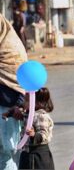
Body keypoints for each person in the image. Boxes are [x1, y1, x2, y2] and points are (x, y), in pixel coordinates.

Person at [0, 13, 28, 170]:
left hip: (7, 108)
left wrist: (18, 104)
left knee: (6, 154)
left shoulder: (12, 54)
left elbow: (19, 85)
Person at [18, 87, 55, 169]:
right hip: (27, 152)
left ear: (36, 103)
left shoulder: (40, 116)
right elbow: (21, 112)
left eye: (27, 101)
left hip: (37, 155)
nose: (24, 103)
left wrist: (34, 135)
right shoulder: (29, 113)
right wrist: (10, 112)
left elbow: (43, 134)